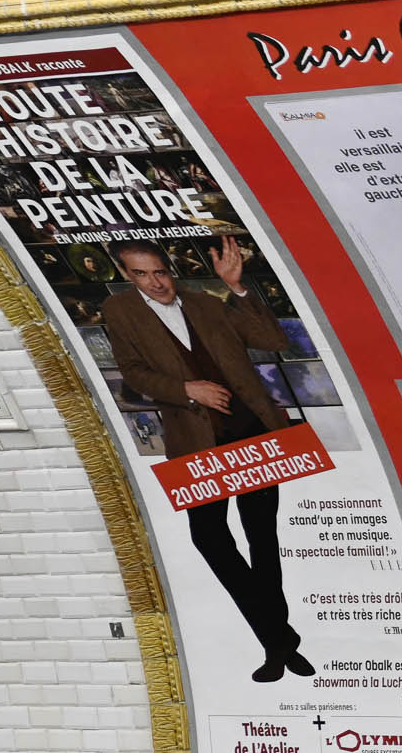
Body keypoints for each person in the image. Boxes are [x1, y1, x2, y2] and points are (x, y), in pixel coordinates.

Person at [104, 236, 309, 682]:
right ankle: (280, 639)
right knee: (211, 539)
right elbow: (134, 374)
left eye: (160, 272)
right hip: (195, 442)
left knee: (262, 537)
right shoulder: (119, 312)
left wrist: (236, 287)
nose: (155, 283)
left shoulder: (207, 302)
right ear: (126, 275)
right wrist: (185, 390)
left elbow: (273, 340)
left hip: (250, 431)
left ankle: (276, 648)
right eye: (141, 274)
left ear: (169, 270)